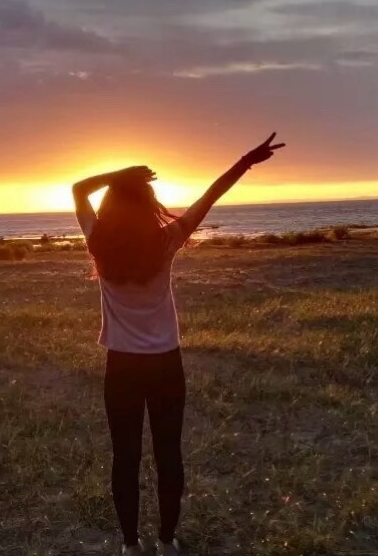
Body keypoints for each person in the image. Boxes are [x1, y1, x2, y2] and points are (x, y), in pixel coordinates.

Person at [73, 133, 285, 555]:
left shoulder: (98, 241)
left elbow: (79, 189)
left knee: (125, 458)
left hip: (122, 367)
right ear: (148, 204)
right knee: (168, 455)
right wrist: (245, 161)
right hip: (165, 364)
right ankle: (167, 542)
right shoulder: (165, 240)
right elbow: (211, 196)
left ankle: (130, 546)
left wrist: (117, 176)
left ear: (110, 206)